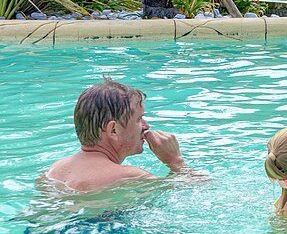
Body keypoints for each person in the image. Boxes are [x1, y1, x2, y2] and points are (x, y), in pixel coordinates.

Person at [42, 79, 187, 192]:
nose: (146, 126)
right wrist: (175, 161)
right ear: (113, 130)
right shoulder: (130, 177)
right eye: (138, 119)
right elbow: (197, 187)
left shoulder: (54, 171)